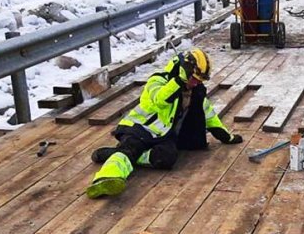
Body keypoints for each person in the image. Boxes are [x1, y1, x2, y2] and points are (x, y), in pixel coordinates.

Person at [87, 48, 243, 198]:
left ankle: (113, 154)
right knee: (128, 150)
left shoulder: (195, 91)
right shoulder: (157, 80)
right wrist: (178, 82)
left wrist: (226, 136)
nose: (196, 83)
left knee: (167, 157)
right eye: (194, 78)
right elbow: (160, 100)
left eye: (199, 80)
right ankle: (106, 179)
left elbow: (208, 114)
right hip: (139, 129)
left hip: (163, 135)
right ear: (184, 71)